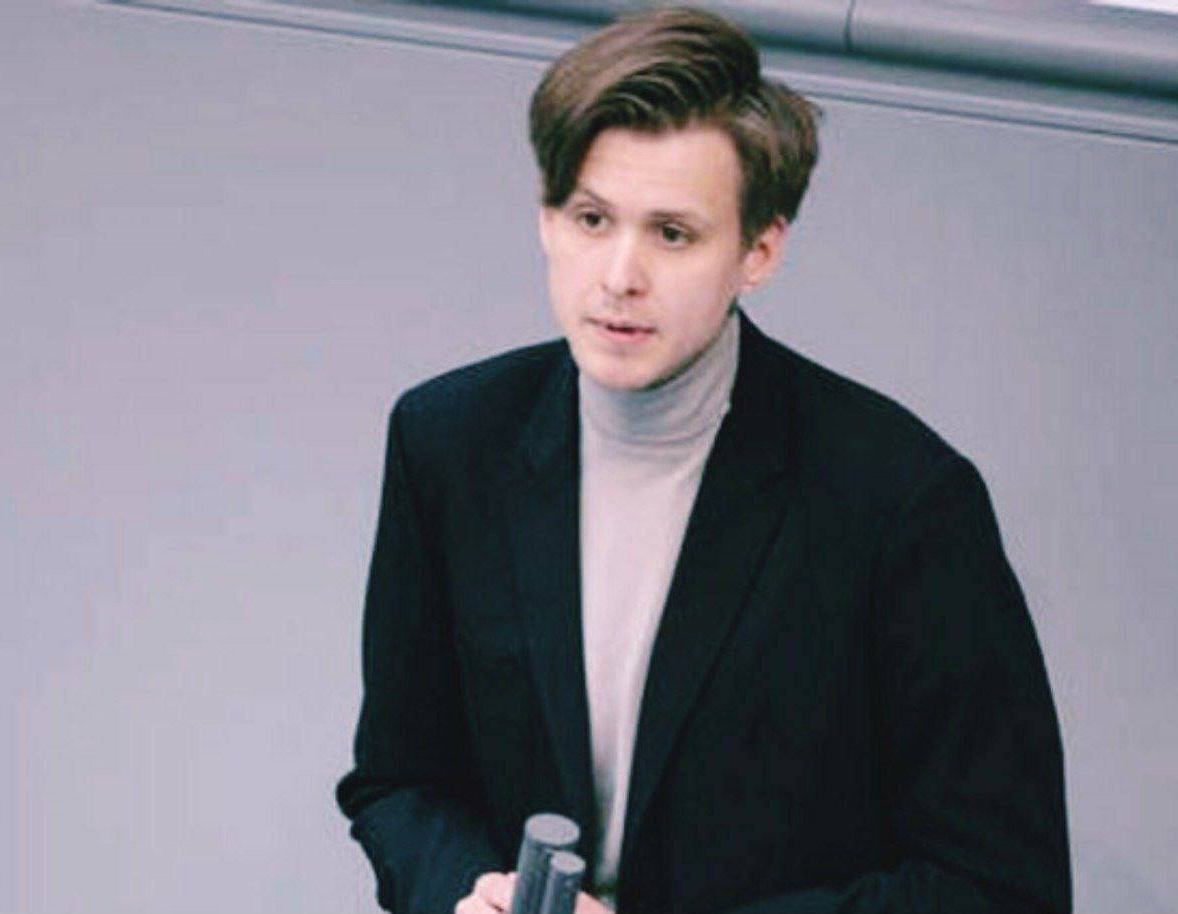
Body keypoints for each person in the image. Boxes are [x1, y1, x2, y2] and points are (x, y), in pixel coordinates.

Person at [336, 7, 1071, 914]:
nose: (619, 276)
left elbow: (999, 886)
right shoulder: (448, 440)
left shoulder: (903, 500)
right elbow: (399, 780)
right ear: (546, 220)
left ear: (759, 250)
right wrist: (466, 891)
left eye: (672, 234)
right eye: (592, 219)